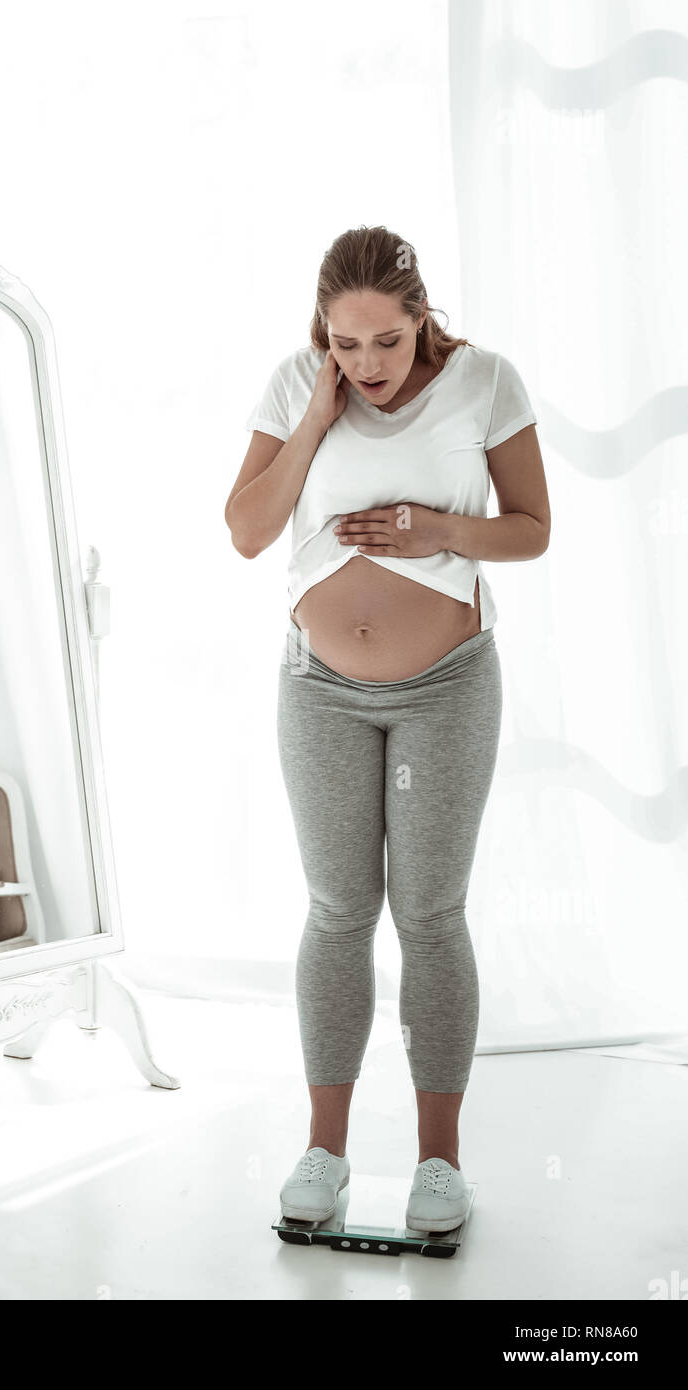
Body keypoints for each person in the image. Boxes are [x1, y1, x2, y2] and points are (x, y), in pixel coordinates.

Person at [225, 225, 550, 1233]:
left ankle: (437, 1164)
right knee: (335, 909)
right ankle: (321, 1150)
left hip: (444, 685)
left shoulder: (485, 382)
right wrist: (315, 418)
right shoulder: (298, 386)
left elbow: (530, 527)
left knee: (427, 914)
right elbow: (245, 531)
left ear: (421, 317)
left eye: (383, 342)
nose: (365, 365)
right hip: (318, 687)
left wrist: (435, 529)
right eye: (343, 344)